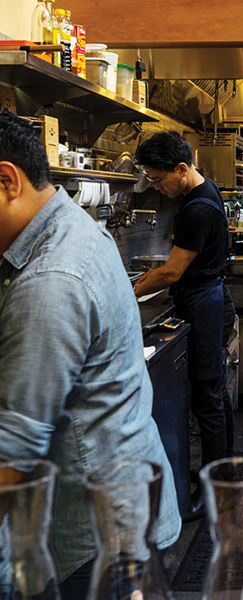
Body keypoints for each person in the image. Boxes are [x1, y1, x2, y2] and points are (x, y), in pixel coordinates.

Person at [0, 109, 181, 595]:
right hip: (125, 515)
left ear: (6, 181)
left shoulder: (50, 282)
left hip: (92, 543)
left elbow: (12, 450)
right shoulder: (72, 228)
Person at [133, 131, 235, 519]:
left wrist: (131, 290)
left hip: (204, 305)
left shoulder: (197, 208)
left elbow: (172, 272)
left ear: (181, 168)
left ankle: (212, 492)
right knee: (214, 392)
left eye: (159, 180)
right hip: (208, 298)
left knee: (207, 397)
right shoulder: (203, 189)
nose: (159, 188)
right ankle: (221, 470)